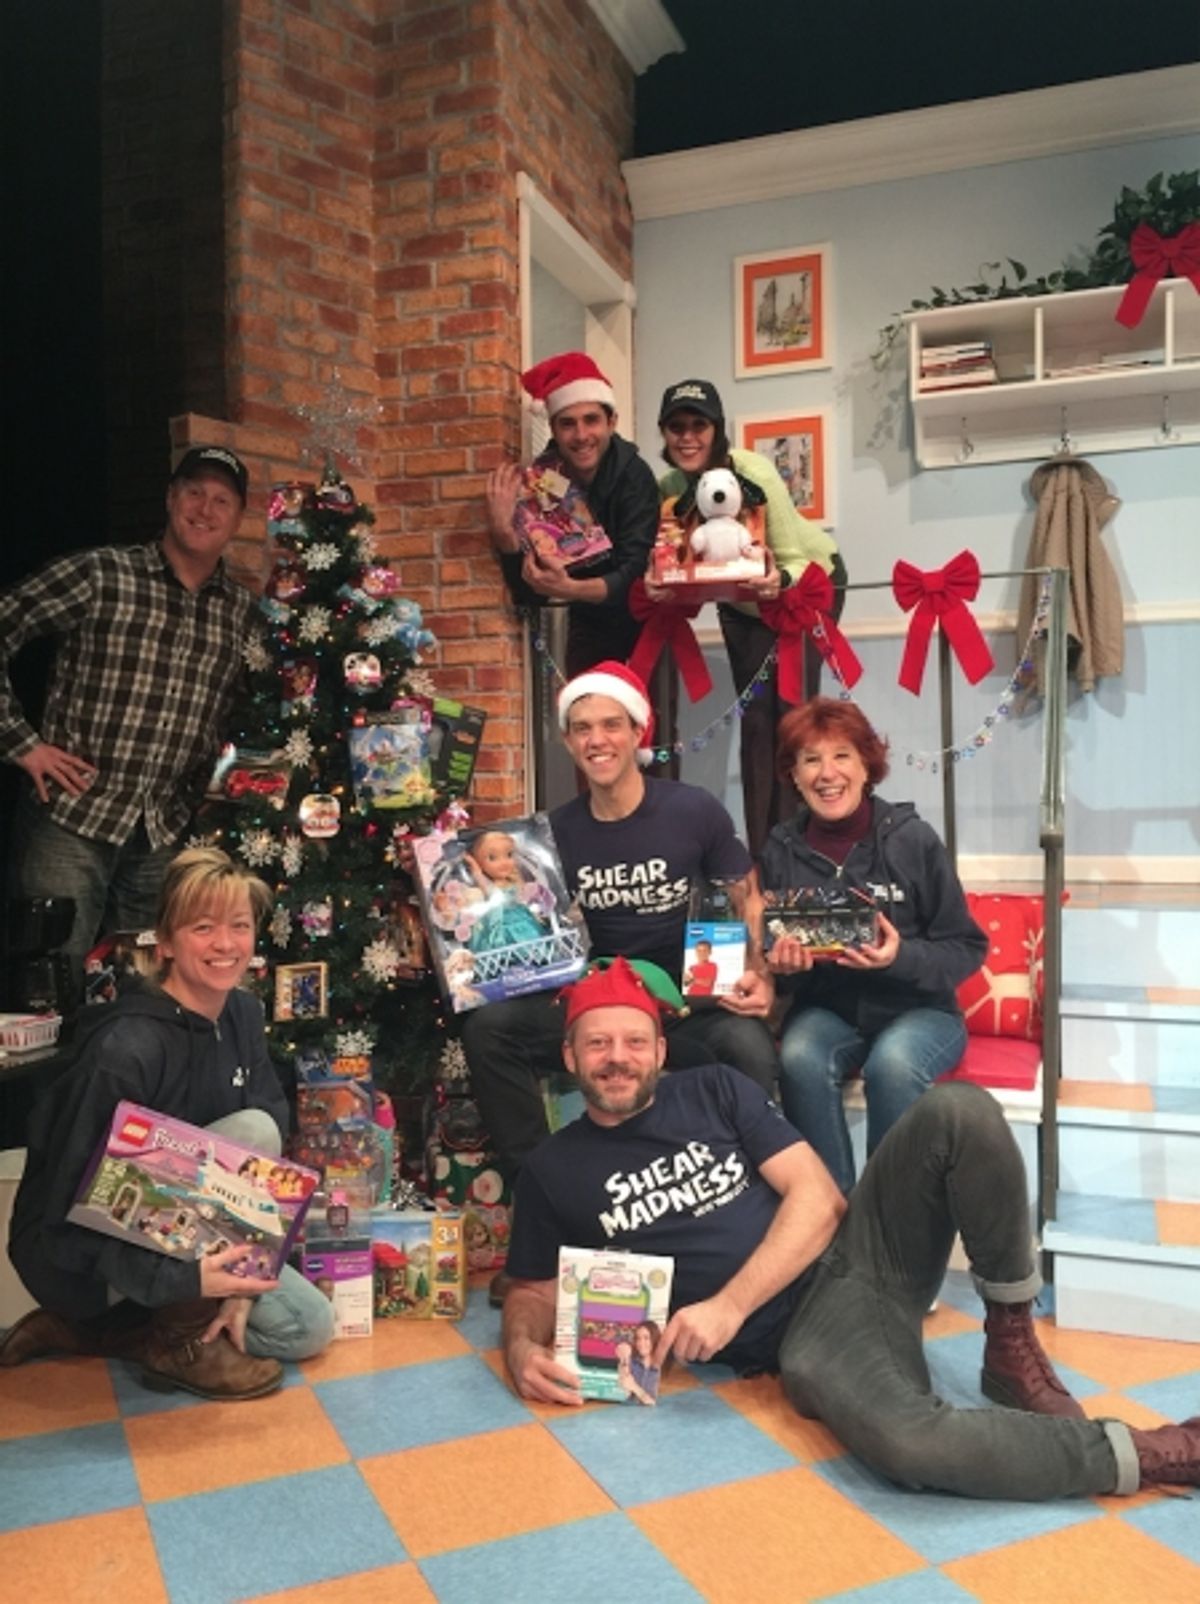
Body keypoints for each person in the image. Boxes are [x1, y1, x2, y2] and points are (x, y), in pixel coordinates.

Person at [501, 957, 1199, 1500]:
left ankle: (1010, 1339)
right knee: (909, 1447)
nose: (616, 1057)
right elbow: (531, 1289)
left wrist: (727, 1305)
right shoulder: (552, 1171)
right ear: (570, 1058)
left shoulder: (713, 1088)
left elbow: (820, 1197)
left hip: (868, 1243)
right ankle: (1149, 1451)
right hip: (808, 1334)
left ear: (659, 1049)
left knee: (958, 1109)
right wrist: (523, 1350)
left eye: (633, 1041)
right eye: (597, 1044)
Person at [459, 661, 779, 1296]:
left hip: (687, 1001)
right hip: (599, 1004)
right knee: (489, 1027)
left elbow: (747, 895)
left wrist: (761, 973)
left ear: (638, 732)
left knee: (746, 1046)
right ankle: (542, 1215)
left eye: (610, 725)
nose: (596, 740)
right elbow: (533, 920)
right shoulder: (553, 836)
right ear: (570, 741)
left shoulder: (694, 812)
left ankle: (746, 1222)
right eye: (581, 728)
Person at [0, 846, 334, 1400]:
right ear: (168, 939)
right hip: (82, 1255)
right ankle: (174, 1339)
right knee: (251, 1130)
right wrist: (185, 1283)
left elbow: (271, 1167)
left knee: (308, 1325)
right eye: (203, 927)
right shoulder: (124, 1049)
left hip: (197, 1234)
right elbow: (75, 1211)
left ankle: (102, 1333)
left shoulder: (243, 1013)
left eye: (239, 926)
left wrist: (248, 1271)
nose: (225, 945)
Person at [0, 446, 257, 999]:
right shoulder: (101, 573)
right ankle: (53, 1092)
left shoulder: (240, 612)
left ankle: (130, 1092)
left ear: (237, 520)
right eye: (193, 492)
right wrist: (21, 744)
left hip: (160, 834)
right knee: (48, 991)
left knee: (145, 1000)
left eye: (221, 500)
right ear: (170, 498)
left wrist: (209, 791)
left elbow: (242, 712)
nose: (204, 509)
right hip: (70, 820)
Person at [761, 698, 986, 1195]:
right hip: (830, 1011)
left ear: (867, 765)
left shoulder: (913, 840)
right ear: (793, 775)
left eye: (841, 755)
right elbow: (773, 954)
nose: (827, 773)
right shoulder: (780, 848)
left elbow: (966, 946)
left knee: (894, 1064)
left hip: (922, 1011)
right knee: (798, 1055)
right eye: (810, 759)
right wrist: (784, 967)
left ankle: (888, 1221)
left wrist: (899, 957)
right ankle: (827, 1214)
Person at [654, 379, 849, 857]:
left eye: (699, 425)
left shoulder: (754, 471)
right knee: (756, 723)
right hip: (739, 605)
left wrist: (778, 580)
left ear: (717, 430)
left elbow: (798, 557)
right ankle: (765, 856)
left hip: (804, 585)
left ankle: (804, 848)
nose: (687, 437)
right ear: (664, 433)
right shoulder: (670, 489)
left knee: (793, 720)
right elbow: (670, 559)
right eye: (676, 427)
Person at [485, 352, 659, 676]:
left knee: (645, 723)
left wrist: (569, 589)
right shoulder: (543, 480)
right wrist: (504, 534)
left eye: (591, 420)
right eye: (568, 423)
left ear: (612, 421)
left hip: (646, 630)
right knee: (582, 719)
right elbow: (527, 594)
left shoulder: (635, 477)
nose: (580, 435)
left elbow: (634, 576)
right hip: (586, 630)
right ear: (552, 428)